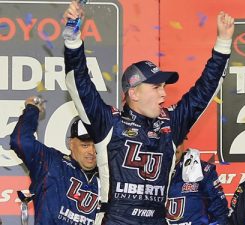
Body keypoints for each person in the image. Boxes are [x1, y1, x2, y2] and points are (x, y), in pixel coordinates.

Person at [63, 1, 234, 224]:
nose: (164, 94)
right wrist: (73, 40)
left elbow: (205, 90)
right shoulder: (108, 122)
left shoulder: (171, 123)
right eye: (156, 87)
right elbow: (80, 84)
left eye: (164, 87)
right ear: (133, 93)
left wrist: (223, 44)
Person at [10, 96, 101, 225]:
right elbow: (20, 141)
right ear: (71, 143)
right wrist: (32, 110)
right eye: (85, 145)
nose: (92, 151)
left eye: (96, 146)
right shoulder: (51, 162)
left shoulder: (109, 177)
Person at [166, 141, 229, 224]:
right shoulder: (146, 172)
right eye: (172, 141)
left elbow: (219, 210)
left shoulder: (201, 170)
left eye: (179, 142)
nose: (176, 147)